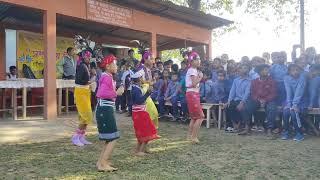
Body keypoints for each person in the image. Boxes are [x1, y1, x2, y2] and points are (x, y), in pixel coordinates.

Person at [95, 54, 123, 172]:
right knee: (113, 137)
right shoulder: (106, 76)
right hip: (105, 109)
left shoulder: (107, 76)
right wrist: (117, 93)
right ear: (107, 66)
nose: (116, 66)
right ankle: (103, 163)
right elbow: (102, 93)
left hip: (105, 109)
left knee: (109, 137)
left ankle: (101, 162)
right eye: (114, 64)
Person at [131, 70, 160, 156]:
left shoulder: (135, 88)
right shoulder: (136, 89)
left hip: (139, 111)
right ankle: (140, 151)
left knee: (142, 131)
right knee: (147, 131)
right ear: (140, 79)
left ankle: (138, 150)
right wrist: (147, 94)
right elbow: (139, 101)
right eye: (143, 77)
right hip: (140, 112)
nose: (144, 79)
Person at [247, 64, 277, 138]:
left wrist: (265, 100)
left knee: (272, 108)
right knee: (247, 106)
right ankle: (247, 127)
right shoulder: (254, 81)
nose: (267, 71)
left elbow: (273, 93)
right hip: (257, 100)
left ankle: (269, 129)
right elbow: (252, 93)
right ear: (259, 72)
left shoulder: (272, 81)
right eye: (265, 70)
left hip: (269, 100)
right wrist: (258, 100)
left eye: (267, 70)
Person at [72, 50, 94, 147]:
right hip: (81, 93)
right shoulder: (81, 66)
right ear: (84, 57)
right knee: (85, 116)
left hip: (85, 92)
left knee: (87, 116)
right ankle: (75, 137)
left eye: (90, 57)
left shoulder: (85, 65)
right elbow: (80, 80)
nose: (90, 59)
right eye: (88, 57)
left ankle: (81, 136)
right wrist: (91, 80)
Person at [282, 64, 306, 141]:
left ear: (300, 71)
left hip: (301, 101)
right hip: (290, 100)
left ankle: (299, 133)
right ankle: (286, 131)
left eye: (297, 70)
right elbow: (288, 91)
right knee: (286, 112)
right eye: (293, 70)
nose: (295, 72)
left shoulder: (302, 78)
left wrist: (294, 104)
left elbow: (299, 92)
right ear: (289, 72)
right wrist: (289, 104)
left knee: (293, 113)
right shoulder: (286, 78)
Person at [225, 63, 251, 134]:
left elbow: (247, 93)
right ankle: (234, 125)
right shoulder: (236, 80)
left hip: (244, 100)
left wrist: (242, 102)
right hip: (236, 99)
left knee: (240, 107)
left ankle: (239, 125)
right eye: (241, 68)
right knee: (229, 106)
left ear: (248, 70)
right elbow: (232, 91)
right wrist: (229, 100)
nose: (243, 69)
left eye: (245, 68)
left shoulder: (249, 81)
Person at [185, 56, 204, 143]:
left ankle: (189, 136)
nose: (199, 61)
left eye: (199, 59)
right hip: (193, 93)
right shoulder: (192, 70)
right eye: (197, 60)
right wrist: (200, 77)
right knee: (200, 116)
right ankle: (194, 137)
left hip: (191, 93)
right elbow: (193, 83)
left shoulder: (192, 70)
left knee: (194, 117)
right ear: (191, 61)